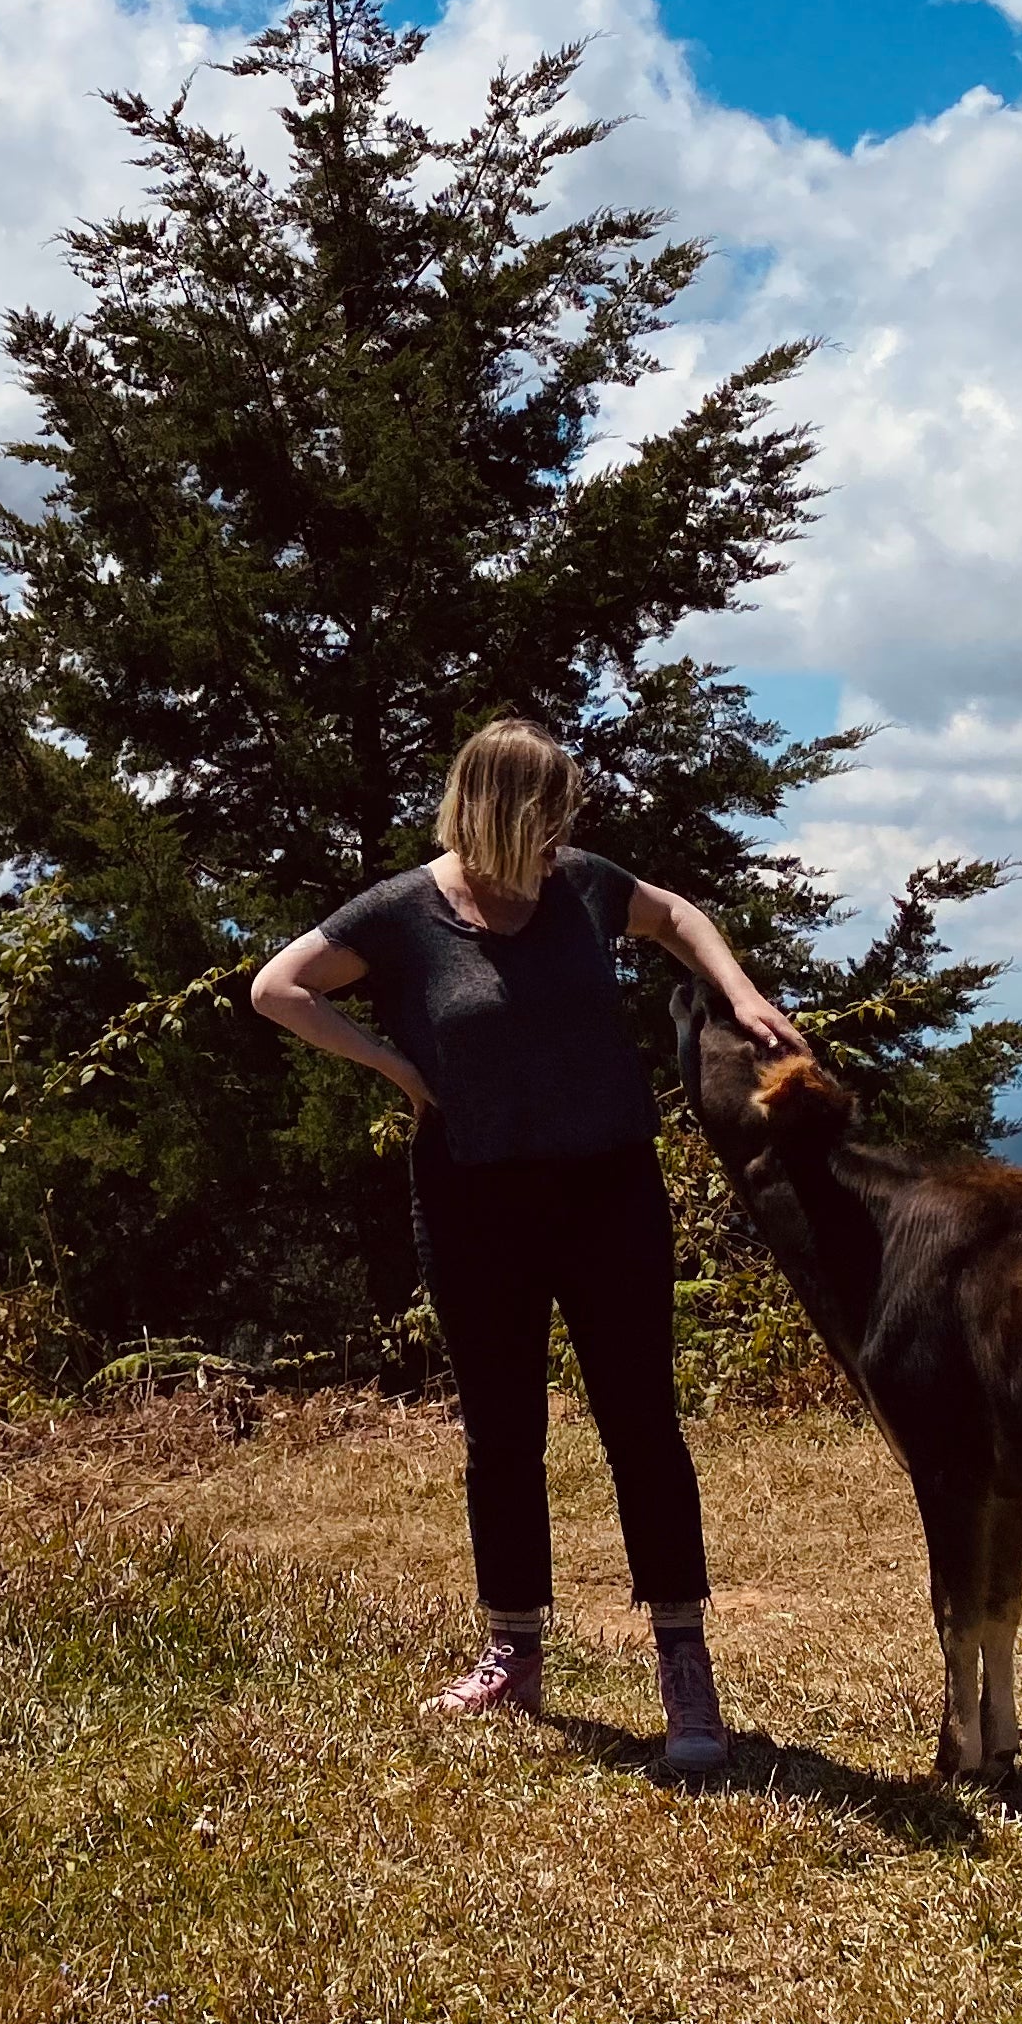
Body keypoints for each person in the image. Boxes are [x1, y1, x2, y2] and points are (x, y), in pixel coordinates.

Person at [249, 716, 806, 1773]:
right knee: (502, 1433)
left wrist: (739, 992)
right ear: (501, 811)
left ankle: (684, 1663)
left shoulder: (583, 885)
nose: (567, 830)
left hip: (610, 1191)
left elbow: (677, 914)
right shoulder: (405, 915)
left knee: (642, 1422)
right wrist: (403, 1074)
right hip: (472, 1200)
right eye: (550, 813)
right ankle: (514, 1651)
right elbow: (277, 989)